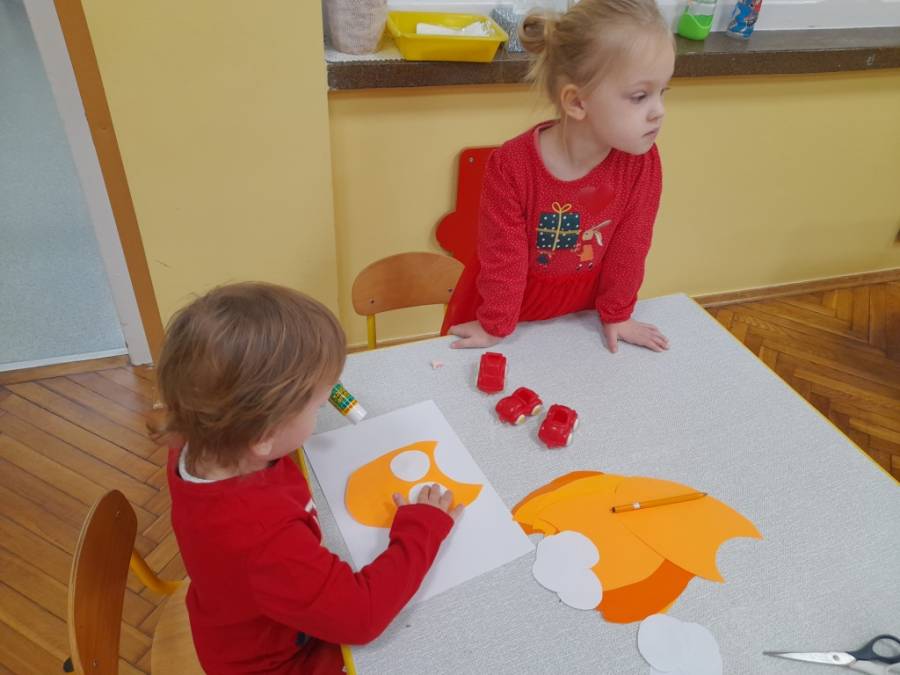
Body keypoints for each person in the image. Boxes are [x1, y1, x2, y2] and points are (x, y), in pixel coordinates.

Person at [155, 282, 462, 674]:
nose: (323, 410)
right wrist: (423, 528)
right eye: (318, 406)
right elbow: (362, 616)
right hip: (278, 661)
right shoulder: (263, 540)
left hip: (241, 620)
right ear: (263, 436)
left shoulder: (200, 439)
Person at [446, 0, 674, 354]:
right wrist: (495, 324)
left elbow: (631, 247)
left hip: (581, 312)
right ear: (577, 102)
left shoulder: (641, 163)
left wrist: (617, 314)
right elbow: (503, 258)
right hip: (507, 307)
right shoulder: (510, 166)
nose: (659, 111)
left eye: (663, 92)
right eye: (640, 96)